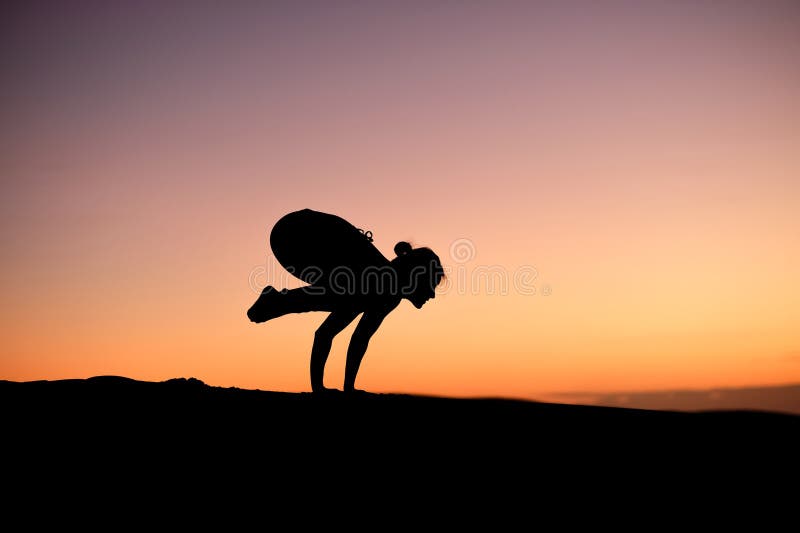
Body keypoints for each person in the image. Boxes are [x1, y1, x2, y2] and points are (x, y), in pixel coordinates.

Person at [247, 209, 445, 394]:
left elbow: (356, 338)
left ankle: (275, 301)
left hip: (301, 233)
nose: (432, 295)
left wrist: (344, 388)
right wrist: (324, 389)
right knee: (330, 297)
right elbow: (332, 335)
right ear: (416, 278)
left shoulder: (387, 294)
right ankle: (274, 301)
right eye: (431, 286)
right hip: (295, 232)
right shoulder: (380, 286)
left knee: (330, 297)